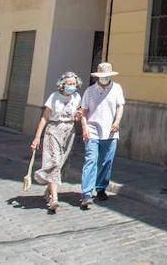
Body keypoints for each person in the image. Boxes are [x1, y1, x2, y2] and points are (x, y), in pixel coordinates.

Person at [31, 72, 82, 213]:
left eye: (74, 84)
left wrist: (78, 116)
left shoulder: (77, 97)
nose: (72, 86)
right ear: (62, 84)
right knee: (54, 162)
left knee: (62, 164)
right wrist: (37, 137)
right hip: (53, 130)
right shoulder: (54, 97)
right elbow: (44, 118)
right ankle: (54, 199)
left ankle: (49, 190)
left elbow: (77, 116)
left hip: (69, 132)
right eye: (69, 83)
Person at [79, 62, 124, 210]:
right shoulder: (90, 91)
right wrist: (84, 128)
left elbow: (120, 106)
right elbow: (83, 111)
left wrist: (117, 122)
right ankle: (86, 193)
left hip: (110, 131)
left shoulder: (117, 88)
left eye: (107, 76)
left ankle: (100, 188)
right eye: (102, 76)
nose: (105, 78)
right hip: (92, 131)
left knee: (106, 161)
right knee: (91, 160)